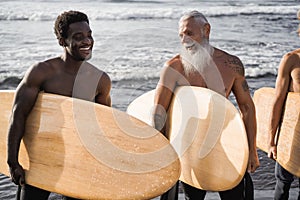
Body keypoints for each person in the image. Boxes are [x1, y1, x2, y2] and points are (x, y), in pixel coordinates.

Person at [153, 10, 260, 200]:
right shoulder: (174, 67)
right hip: (190, 148)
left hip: (227, 143)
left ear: (206, 30)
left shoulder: (231, 65)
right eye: (181, 35)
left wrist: (252, 151)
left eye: (189, 33)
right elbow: (159, 111)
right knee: (193, 197)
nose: (185, 40)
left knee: (236, 196)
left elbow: (247, 108)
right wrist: (164, 154)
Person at [7, 10, 111, 200]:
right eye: (78, 37)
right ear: (62, 41)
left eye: (89, 35)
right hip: (41, 156)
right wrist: (13, 162)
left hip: (79, 159)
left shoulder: (100, 80)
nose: (87, 41)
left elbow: (103, 126)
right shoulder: (42, 72)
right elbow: (18, 115)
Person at [267, 10, 300, 200]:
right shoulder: (291, 60)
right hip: (291, 133)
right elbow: (277, 102)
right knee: (282, 183)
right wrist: (272, 141)